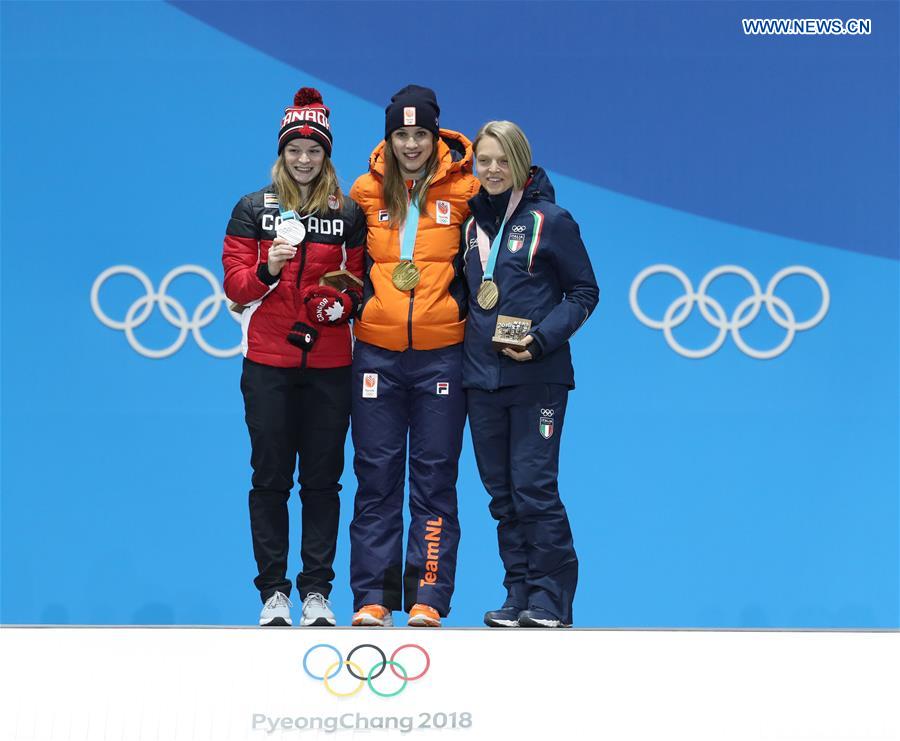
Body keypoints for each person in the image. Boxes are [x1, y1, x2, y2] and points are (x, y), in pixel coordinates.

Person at [222, 87, 366, 627]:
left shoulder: (347, 212)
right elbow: (236, 287)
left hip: (330, 367)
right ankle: (273, 594)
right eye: (294, 150)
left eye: (313, 150)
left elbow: (359, 283)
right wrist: (268, 269)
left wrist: (342, 304)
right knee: (270, 478)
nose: (303, 159)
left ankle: (316, 594)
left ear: (326, 154)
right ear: (281, 153)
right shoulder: (252, 209)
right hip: (268, 365)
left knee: (324, 481)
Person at [348, 85, 479, 628]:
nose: (410, 144)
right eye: (400, 135)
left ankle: (428, 593)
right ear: (389, 138)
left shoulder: (467, 190)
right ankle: (374, 597)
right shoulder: (365, 191)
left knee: (434, 477)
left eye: (418, 134)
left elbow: (507, 229)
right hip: (376, 353)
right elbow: (346, 264)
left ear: (434, 135)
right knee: (376, 476)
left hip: (441, 356)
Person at [462, 120, 599, 628]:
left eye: (503, 160)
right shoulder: (470, 227)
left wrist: (540, 339)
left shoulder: (552, 220)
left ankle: (550, 598)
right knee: (501, 495)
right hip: (481, 379)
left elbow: (585, 292)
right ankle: (518, 591)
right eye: (484, 161)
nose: (493, 170)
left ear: (521, 162)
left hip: (537, 377)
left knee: (534, 487)